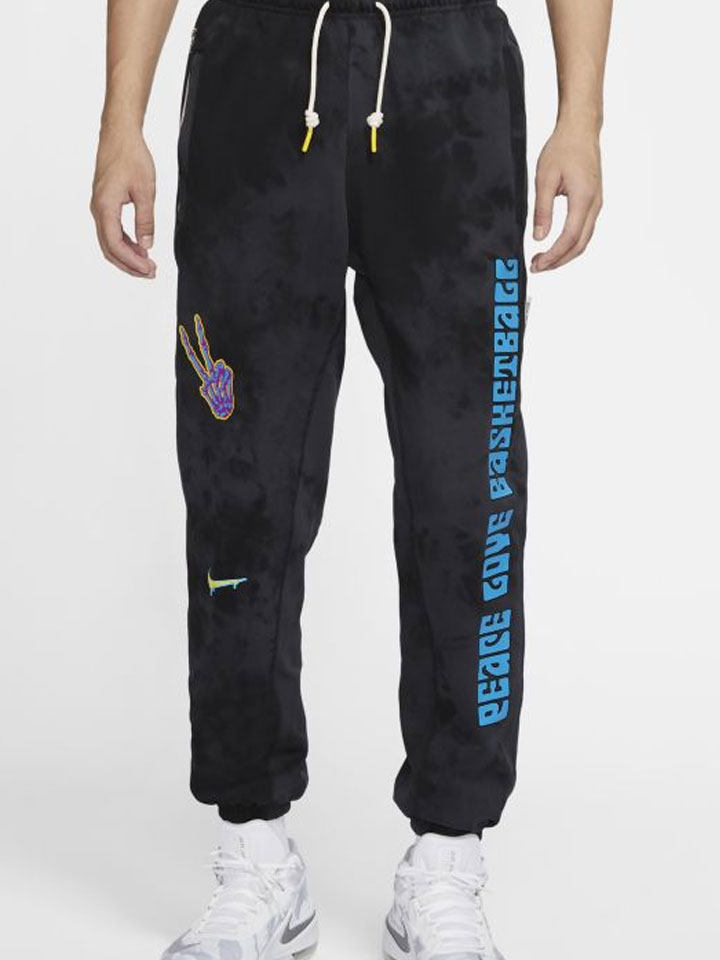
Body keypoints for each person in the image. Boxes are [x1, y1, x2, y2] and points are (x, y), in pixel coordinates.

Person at [91, 0, 611, 957]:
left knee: (470, 486)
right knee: (239, 486)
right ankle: (255, 855)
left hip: (450, 84)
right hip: (258, 75)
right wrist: (121, 121)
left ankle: (448, 857)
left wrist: (581, 118)